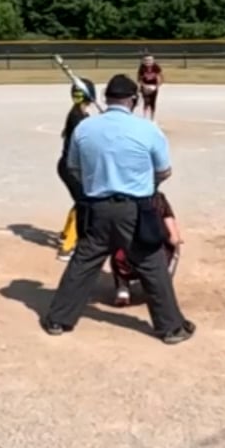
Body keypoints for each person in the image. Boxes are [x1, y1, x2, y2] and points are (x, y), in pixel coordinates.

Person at [44, 75, 193, 344]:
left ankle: (58, 319)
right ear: (133, 100)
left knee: (83, 262)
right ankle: (171, 327)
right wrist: (144, 183)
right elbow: (164, 171)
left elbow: (74, 168)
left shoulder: (85, 128)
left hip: (96, 207)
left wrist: (99, 180)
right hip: (135, 210)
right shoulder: (147, 129)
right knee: (151, 264)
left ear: (105, 98)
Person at [110, 189, 182, 307]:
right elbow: (167, 217)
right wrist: (174, 237)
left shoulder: (118, 197)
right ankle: (161, 285)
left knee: (116, 243)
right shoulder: (156, 197)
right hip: (150, 250)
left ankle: (124, 288)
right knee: (173, 247)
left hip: (128, 255)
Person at [55, 77, 98, 260]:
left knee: (80, 200)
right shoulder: (79, 118)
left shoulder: (78, 114)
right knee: (84, 204)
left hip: (68, 166)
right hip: (72, 168)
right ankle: (67, 248)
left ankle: (65, 234)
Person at [136, 54, 164, 119]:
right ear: (143, 61)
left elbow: (162, 78)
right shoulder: (142, 68)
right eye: (146, 60)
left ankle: (152, 118)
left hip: (154, 86)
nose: (148, 62)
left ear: (153, 60)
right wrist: (144, 86)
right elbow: (139, 79)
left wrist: (157, 86)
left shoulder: (156, 67)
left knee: (153, 102)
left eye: (150, 60)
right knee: (146, 102)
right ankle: (145, 117)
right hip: (145, 87)